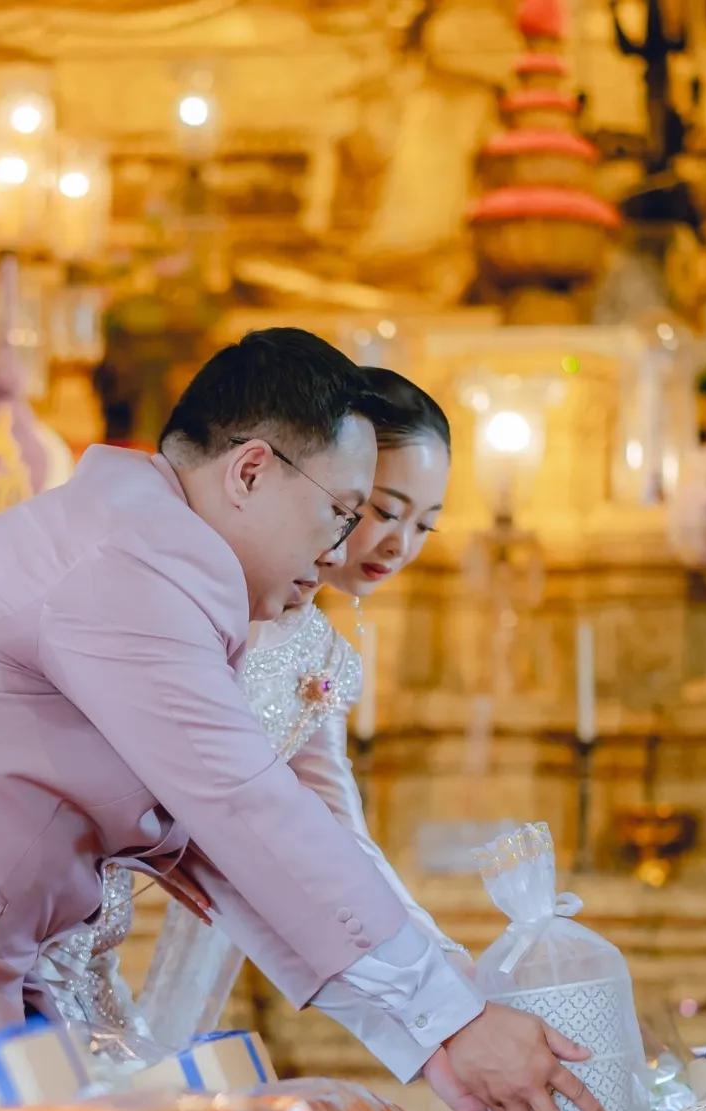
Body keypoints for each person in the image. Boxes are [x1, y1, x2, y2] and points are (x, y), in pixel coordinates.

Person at [0, 328, 601, 1111]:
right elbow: (243, 810)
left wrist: (439, 1033)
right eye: (343, 513)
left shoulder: (162, 559)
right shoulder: (130, 565)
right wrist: (451, 1021)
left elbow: (230, 853)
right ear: (250, 471)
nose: (341, 552)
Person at [32, 369, 470, 1065]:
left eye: (425, 525)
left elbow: (333, 828)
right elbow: (241, 814)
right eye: (378, 511)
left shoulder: (320, 655)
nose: (399, 544)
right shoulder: (174, 592)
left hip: (101, 928)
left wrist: (443, 977)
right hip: (35, 907)